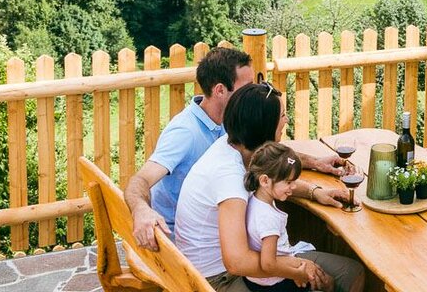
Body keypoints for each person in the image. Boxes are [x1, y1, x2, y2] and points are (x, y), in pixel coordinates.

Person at [127, 48, 349, 251]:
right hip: (186, 240)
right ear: (221, 90)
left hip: (218, 222)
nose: (255, 92)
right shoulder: (185, 132)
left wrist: (315, 165)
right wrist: (141, 210)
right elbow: (141, 180)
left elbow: (259, 156)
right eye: (248, 86)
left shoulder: (229, 121)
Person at [176, 83, 365, 292]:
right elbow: (236, 262)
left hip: (234, 264)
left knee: (349, 272)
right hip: (219, 280)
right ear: (264, 126)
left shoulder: (234, 145)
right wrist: (298, 268)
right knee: (345, 276)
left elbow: (269, 181)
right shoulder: (229, 177)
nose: (286, 120)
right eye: (282, 115)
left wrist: (315, 192)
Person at [242, 142, 318, 292]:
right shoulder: (268, 218)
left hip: (255, 280)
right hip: (274, 284)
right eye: (288, 182)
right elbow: (268, 264)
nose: (294, 187)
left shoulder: (254, 200)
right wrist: (297, 274)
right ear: (264, 181)